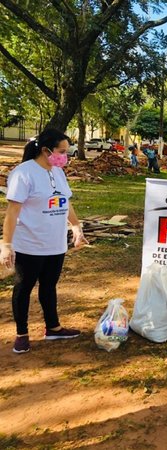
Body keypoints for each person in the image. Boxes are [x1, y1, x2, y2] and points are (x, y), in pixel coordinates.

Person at [0, 128, 89, 354]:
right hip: (29, 244)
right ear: (46, 150)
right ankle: (21, 334)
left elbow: (65, 202)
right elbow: (12, 213)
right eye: (61, 151)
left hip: (55, 244)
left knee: (49, 286)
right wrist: (6, 245)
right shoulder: (23, 173)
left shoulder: (57, 171)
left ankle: (53, 328)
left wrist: (76, 226)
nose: (64, 156)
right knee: (24, 287)